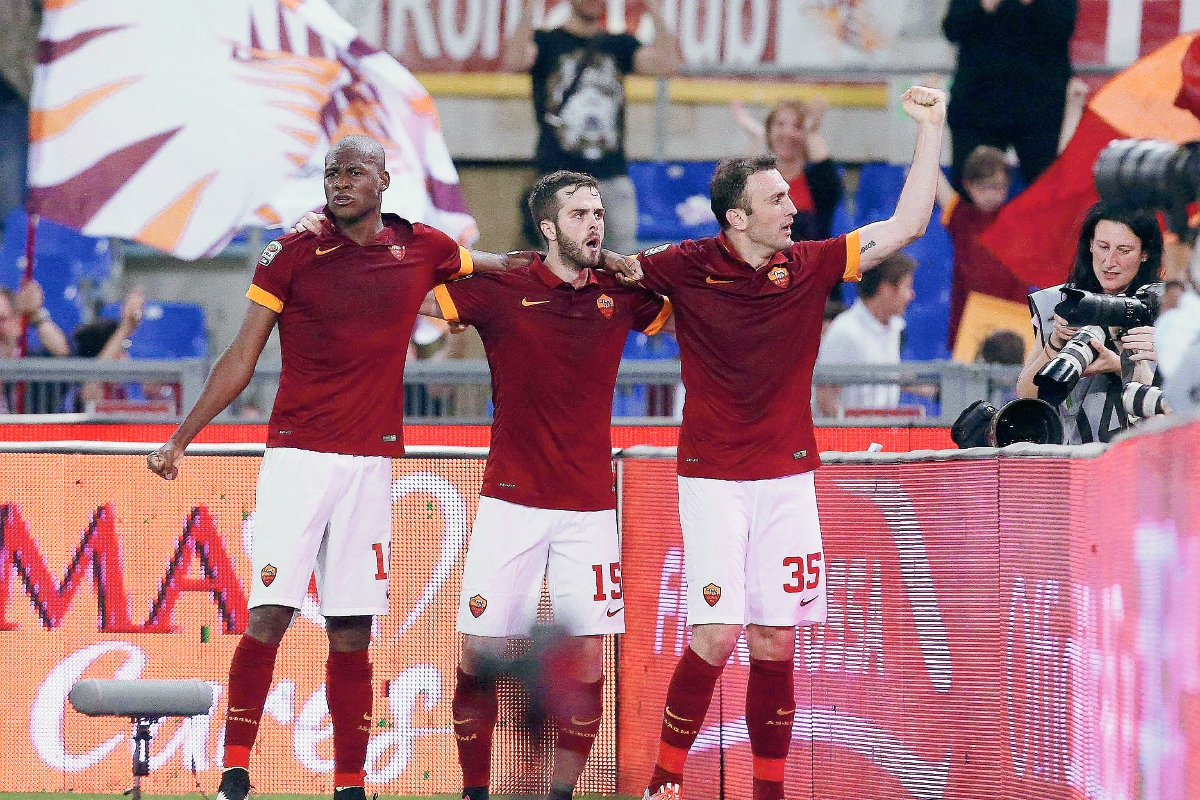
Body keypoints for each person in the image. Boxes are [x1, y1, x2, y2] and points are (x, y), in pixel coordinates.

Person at [145, 135, 572, 800]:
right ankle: (235, 770)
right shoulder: (289, 253)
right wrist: (181, 440)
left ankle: (350, 784)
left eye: (353, 172)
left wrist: (572, 264)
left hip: (372, 462)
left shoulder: (423, 246)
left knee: (352, 626)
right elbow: (241, 354)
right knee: (270, 613)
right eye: (331, 173)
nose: (339, 183)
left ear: (383, 180)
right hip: (297, 456)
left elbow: (493, 263)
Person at [630, 85, 947, 800]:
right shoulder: (680, 264)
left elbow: (909, 222)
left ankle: (768, 793)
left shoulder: (810, 265)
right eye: (776, 200)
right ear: (737, 216)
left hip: (787, 480)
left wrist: (933, 127)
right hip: (711, 479)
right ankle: (663, 785)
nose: (792, 207)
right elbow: (607, 276)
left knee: (776, 641)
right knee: (715, 636)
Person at [418, 170, 670, 800]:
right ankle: (477, 791)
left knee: (587, 659)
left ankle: (560, 792)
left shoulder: (619, 290)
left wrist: (644, 269)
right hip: (510, 501)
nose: (596, 224)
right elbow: (409, 289)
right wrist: (461, 256)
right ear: (549, 227)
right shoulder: (502, 284)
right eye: (581, 215)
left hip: (589, 507)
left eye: (600, 212)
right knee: (479, 653)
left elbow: (689, 303)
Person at [502, 0, 681, 254]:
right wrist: (529, 9)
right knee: (563, 263)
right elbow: (515, 60)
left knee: (622, 264)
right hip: (558, 175)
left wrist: (655, 12)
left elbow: (666, 65)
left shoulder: (618, 44)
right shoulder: (548, 42)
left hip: (611, 174)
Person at [1016, 203, 1163, 443]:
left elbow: (1179, 405)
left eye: (1123, 250)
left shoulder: (1169, 311)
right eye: (1103, 247)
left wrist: (1118, 365)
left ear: (1144, 253)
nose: (1109, 261)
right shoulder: (1063, 304)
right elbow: (1027, 395)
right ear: (1091, 245)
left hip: (1144, 457)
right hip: (1072, 459)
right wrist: (1055, 343)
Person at [942, 0, 1077, 187]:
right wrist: (984, 5)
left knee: (1046, 184)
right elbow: (953, 28)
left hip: (1040, 103)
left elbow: (1063, 26)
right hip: (979, 102)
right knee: (975, 186)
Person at [814, 253, 917, 417]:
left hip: (885, 437)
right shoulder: (845, 331)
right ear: (885, 290)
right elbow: (825, 395)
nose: (911, 295)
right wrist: (854, 434)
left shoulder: (895, 329)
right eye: (907, 286)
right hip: (851, 439)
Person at [730, 96, 843, 242]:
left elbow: (823, 165)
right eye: (780, 125)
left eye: (797, 126)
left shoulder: (820, 179)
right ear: (768, 133)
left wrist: (813, 128)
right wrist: (759, 136)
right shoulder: (758, 180)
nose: (787, 133)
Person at [0, 279, 70, 412]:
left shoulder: (32, 366)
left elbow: (63, 355)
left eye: (1, 319)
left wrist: (35, 314)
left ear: (18, 322)